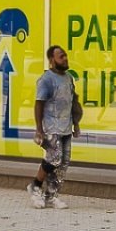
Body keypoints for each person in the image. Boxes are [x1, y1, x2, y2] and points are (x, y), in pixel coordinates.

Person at [28, 44, 79, 209]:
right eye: (61, 57)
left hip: (66, 127)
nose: (65, 59)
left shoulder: (69, 78)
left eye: (65, 56)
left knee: (63, 163)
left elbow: (73, 101)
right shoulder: (46, 79)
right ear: (52, 60)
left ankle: (51, 195)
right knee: (54, 158)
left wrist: (76, 123)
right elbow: (39, 104)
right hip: (51, 127)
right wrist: (39, 129)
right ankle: (35, 186)